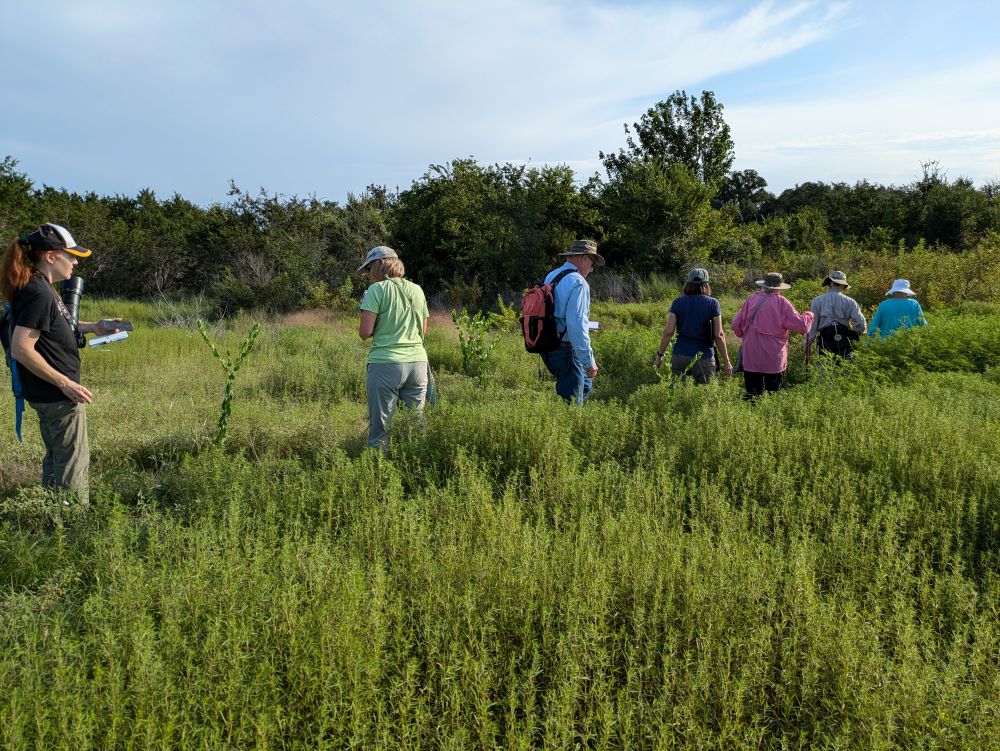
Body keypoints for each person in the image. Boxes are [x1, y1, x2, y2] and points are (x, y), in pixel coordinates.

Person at [1, 224, 122, 503]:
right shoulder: (39, 292)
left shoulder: (37, 286)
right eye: (71, 256)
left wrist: (94, 327)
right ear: (52, 256)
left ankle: (50, 512)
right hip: (57, 395)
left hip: (49, 394)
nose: (76, 262)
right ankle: (69, 527)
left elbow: (52, 325)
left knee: (58, 458)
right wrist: (66, 383)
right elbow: (22, 348)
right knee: (72, 463)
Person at [357, 245, 430, 451]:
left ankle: (378, 471)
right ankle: (417, 465)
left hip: (386, 364)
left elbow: (364, 333)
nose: (369, 274)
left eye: (369, 268)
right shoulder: (417, 289)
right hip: (417, 363)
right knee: (415, 423)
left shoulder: (376, 290)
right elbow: (423, 330)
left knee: (380, 429)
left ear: (380, 265)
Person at [539, 239, 603, 404]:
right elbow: (576, 327)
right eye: (592, 262)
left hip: (547, 346)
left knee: (585, 385)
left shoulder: (551, 276)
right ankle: (569, 428)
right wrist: (588, 362)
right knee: (573, 402)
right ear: (584, 258)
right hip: (566, 350)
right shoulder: (579, 283)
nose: (592, 268)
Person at [731, 272, 814, 399]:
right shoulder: (782, 302)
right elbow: (802, 326)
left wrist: (745, 334)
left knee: (752, 395)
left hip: (751, 354)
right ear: (779, 287)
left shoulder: (751, 299)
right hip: (773, 357)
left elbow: (736, 325)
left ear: (764, 285)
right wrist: (809, 315)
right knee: (771, 396)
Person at [654, 267, 733, 383]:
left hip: (679, 355)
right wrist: (726, 361)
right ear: (706, 284)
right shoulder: (713, 303)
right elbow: (718, 335)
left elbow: (668, 332)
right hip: (704, 356)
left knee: (677, 394)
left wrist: (659, 355)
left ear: (688, 283)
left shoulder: (677, 302)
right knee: (706, 394)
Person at [806, 270, 866, 357]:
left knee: (823, 368)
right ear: (843, 285)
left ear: (830, 283)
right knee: (845, 368)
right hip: (845, 342)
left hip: (825, 342)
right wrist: (855, 336)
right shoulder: (850, 302)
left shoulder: (817, 301)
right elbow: (861, 323)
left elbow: (813, 327)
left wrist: (806, 345)